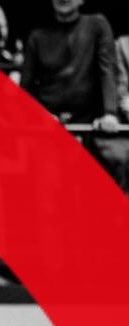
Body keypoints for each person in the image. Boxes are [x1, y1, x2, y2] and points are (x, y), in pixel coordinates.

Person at [21, 0, 125, 190]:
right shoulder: (37, 36)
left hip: (90, 125)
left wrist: (110, 113)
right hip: (48, 126)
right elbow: (25, 90)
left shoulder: (97, 24)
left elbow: (107, 70)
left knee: (115, 163)